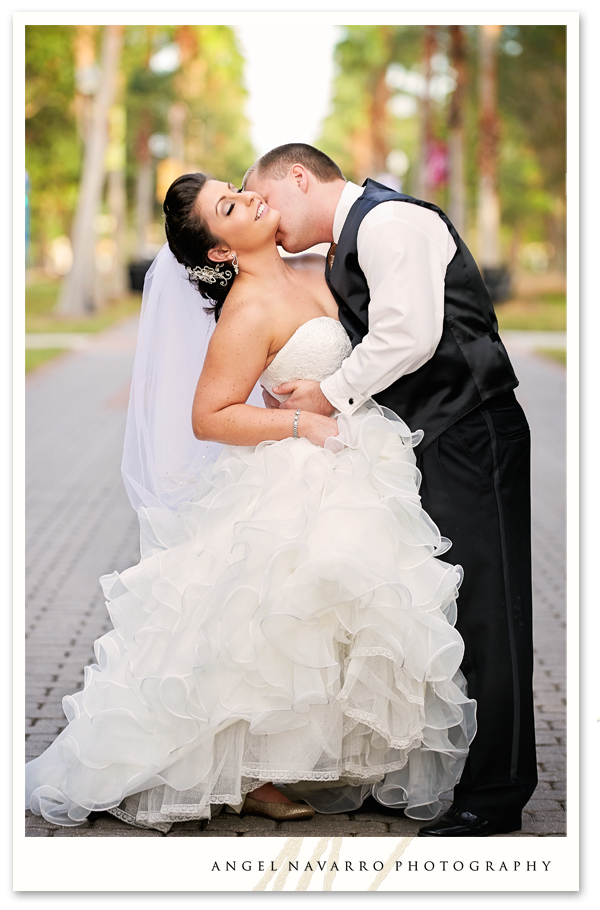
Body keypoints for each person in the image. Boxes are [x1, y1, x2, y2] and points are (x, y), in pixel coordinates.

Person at [25, 171, 476, 834]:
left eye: (238, 187)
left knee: (352, 609)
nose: (252, 197)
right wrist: (304, 425)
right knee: (274, 619)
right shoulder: (248, 310)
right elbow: (210, 415)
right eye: (230, 206)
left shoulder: (320, 266)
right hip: (297, 466)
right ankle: (249, 770)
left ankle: (340, 755)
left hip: (361, 457)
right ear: (219, 252)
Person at [244, 143, 537, 837]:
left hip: (472, 430)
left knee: (492, 613)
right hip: (435, 436)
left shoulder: (389, 222)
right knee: (451, 606)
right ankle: (460, 769)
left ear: (299, 177)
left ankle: (496, 795)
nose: (266, 216)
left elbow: (409, 334)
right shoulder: (356, 236)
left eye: (267, 200)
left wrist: (328, 393)